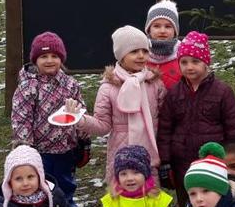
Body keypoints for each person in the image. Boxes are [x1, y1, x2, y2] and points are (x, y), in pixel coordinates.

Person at [157, 31, 235, 207]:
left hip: (212, 161)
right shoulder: (174, 93)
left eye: (195, 62)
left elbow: (233, 127)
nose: (189, 67)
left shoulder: (222, 91)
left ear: (206, 63)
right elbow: (165, 128)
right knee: (186, 204)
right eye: (184, 62)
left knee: (213, 202)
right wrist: (165, 160)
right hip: (182, 162)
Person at [71, 25, 166, 186]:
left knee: (150, 200)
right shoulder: (108, 87)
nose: (141, 56)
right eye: (134, 51)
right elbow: (103, 126)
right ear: (121, 56)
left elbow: (165, 116)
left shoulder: (154, 82)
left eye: (144, 51)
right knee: (123, 203)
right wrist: (80, 119)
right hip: (122, 157)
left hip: (150, 154)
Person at [9, 31, 86, 204]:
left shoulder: (70, 84)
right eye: (44, 56)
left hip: (66, 148)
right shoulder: (28, 86)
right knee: (42, 187)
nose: (49, 60)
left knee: (66, 186)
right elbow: (21, 118)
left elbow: (80, 110)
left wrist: (83, 140)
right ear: (35, 60)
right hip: (40, 151)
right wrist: (25, 148)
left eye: (54, 56)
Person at [100, 144, 176, 207]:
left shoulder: (158, 199)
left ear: (146, 174)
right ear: (117, 178)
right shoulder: (112, 201)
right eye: (123, 174)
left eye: (135, 172)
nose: (129, 178)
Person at [145, 0, 182, 88]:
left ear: (175, 30)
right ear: (149, 29)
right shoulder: (138, 53)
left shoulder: (184, 54)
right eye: (156, 26)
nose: (162, 31)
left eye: (168, 26)